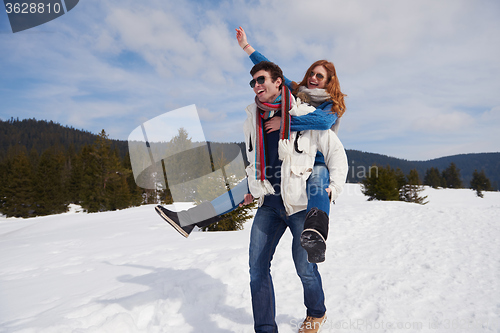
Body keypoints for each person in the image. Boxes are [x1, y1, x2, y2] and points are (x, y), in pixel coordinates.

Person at [243, 61, 347, 333]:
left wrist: (334, 187)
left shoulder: (305, 112)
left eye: (261, 80)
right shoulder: (253, 119)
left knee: (305, 268)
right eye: (253, 82)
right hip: (270, 204)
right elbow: (254, 160)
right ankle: (265, 328)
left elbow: (336, 153)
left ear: (278, 83)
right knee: (257, 269)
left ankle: (316, 312)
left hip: (300, 204)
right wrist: (252, 188)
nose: (256, 86)